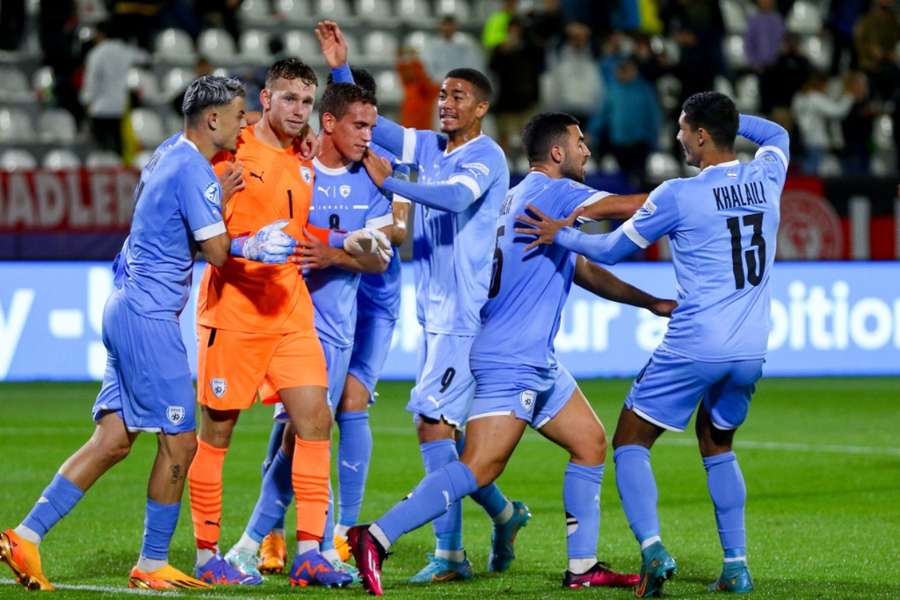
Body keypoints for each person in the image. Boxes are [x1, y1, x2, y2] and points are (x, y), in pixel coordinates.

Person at [345, 112, 677, 596]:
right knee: (479, 467)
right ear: (557, 153)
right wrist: (686, 194)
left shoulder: (516, 198)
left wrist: (648, 301)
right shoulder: (555, 191)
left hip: (534, 358)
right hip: (510, 359)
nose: (588, 150)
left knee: (589, 442)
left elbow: (585, 271)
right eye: (580, 142)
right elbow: (630, 205)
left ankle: (581, 567)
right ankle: (374, 537)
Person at [0, 75, 297, 591]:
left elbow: (168, 218)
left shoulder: (168, 153)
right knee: (181, 443)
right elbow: (220, 254)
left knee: (114, 439)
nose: (245, 121)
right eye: (237, 113)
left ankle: (24, 536)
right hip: (149, 317)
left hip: (123, 305)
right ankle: (152, 561)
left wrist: (215, 198)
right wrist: (255, 245)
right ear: (212, 120)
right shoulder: (195, 172)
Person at [517, 92, 789, 597]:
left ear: (702, 136)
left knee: (629, 441)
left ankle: (653, 548)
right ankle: (737, 566)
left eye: (685, 128)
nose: (678, 136)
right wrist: (731, 119)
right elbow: (777, 135)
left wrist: (561, 235)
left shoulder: (678, 194)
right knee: (718, 443)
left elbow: (612, 250)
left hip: (694, 342)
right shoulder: (768, 176)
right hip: (752, 348)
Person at [320, 20, 529, 585]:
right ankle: (505, 516)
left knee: (433, 430)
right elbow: (378, 131)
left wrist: (395, 186)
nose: (445, 103)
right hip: (433, 314)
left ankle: (451, 552)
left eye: (457, 96)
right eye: (441, 94)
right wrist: (341, 68)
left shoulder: (486, 157)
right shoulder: (432, 147)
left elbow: (454, 197)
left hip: (462, 317)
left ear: (482, 107)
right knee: (453, 439)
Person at [187, 58, 388, 589]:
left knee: (315, 421)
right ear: (265, 99)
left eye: (306, 100)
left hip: (291, 313)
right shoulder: (232, 151)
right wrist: (248, 245)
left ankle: (309, 552)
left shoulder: (304, 157)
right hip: (233, 314)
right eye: (288, 100)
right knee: (217, 435)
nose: (298, 111)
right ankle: (208, 556)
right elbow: (200, 237)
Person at [80, 20, 148, 155]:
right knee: (118, 149)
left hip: (100, 109)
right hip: (120, 108)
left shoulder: (96, 54)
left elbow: (91, 81)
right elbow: (145, 58)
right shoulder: (125, 51)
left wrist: (86, 101)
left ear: (100, 35)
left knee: (101, 152)